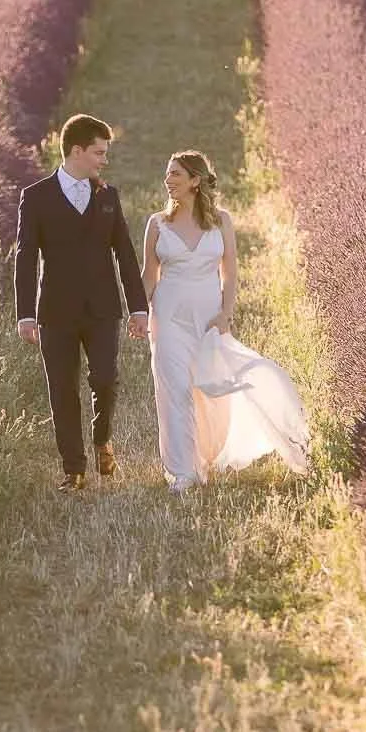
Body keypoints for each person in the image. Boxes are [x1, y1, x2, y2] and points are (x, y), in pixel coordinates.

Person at [142, 150, 310, 492]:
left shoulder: (221, 222)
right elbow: (148, 274)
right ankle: (183, 471)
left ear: (195, 180)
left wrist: (225, 313)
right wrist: (137, 312)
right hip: (168, 316)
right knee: (175, 390)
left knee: (211, 392)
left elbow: (230, 272)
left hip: (208, 318)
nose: (168, 180)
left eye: (175, 174)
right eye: (168, 173)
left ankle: (206, 455)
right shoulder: (157, 223)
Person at [14, 114, 149, 491]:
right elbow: (25, 257)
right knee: (62, 390)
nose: (104, 160)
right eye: (99, 152)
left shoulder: (108, 196)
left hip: (103, 308)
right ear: (77, 151)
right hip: (55, 312)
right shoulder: (36, 197)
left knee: (105, 378)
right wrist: (25, 314)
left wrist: (138, 307)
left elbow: (125, 253)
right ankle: (73, 469)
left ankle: (102, 438)